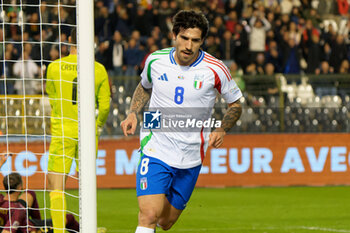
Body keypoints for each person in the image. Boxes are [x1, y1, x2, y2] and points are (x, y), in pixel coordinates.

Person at [121, 10, 242, 233]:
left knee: (165, 222)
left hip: (191, 154)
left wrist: (223, 128)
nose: (188, 45)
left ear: (202, 41)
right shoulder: (155, 60)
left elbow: (236, 104)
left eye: (195, 40)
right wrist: (133, 113)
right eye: (184, 38)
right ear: (174, 35)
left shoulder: (216, 69)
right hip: (155, 146)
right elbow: (144, 87)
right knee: (148, 215)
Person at [46, 27, 111, 233]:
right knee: (86, 182)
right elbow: (106, 105)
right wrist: (98, 125)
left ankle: (58, 231)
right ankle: (88, 227)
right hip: (88, 131)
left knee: (56, 184)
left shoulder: (54, 67)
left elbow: (52, 97)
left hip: (63, 129)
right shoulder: (98, 68)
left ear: (68, 41)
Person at [0, 153, 79, 233]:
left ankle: (39, 222)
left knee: (30, 193)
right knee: (69, 218)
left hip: (18, 219)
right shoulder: (18, 211)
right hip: (29, 229)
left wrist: (1, 163)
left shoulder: (1, 199)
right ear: (20, 187)